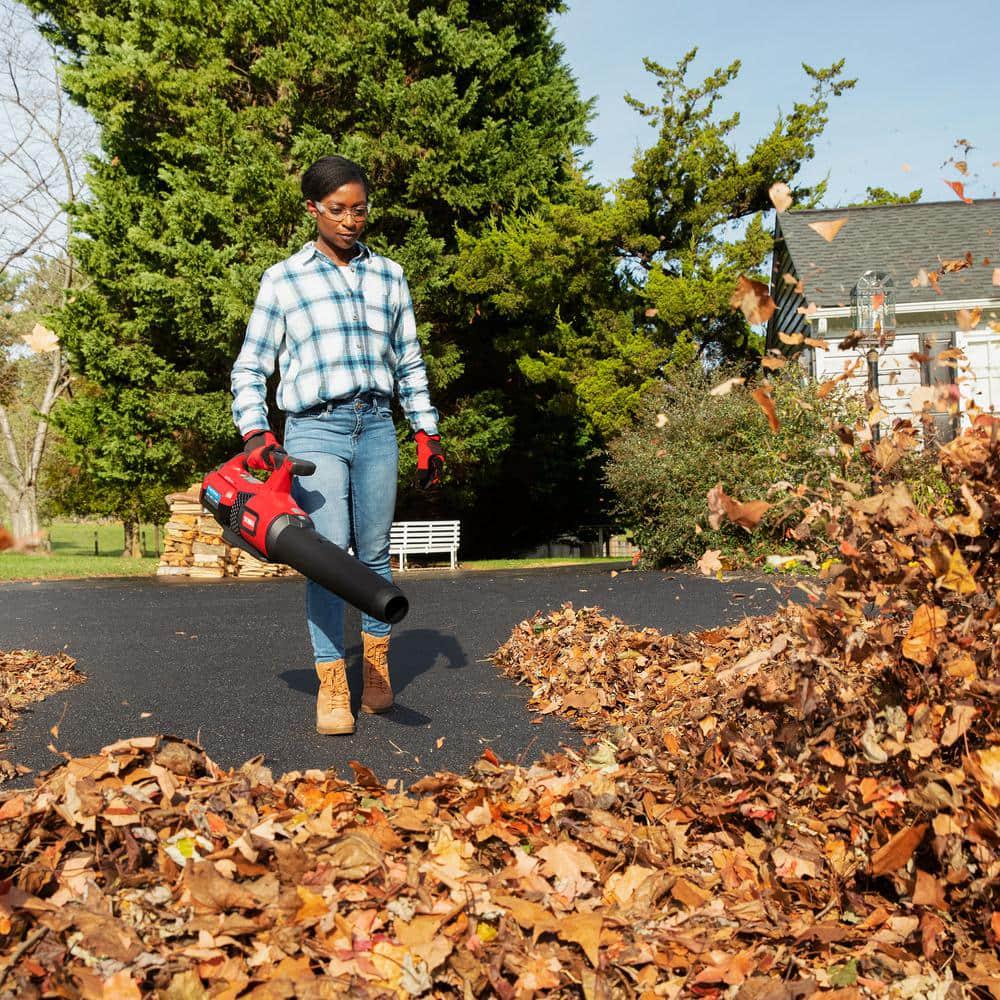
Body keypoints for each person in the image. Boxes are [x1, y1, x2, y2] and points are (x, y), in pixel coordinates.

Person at [231, 155, 444, 736]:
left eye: (360, 209)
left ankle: (376, 672)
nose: (352, 221)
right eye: (338, 210)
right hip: (314, 429)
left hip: (376, 426)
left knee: (374, 554)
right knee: (328, 561)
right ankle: (331, 684)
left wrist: (425, 430)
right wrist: (256, 433)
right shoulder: (284, 279)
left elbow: (409, 362)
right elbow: (250, 367)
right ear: (313, 210)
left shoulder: (389, 276)